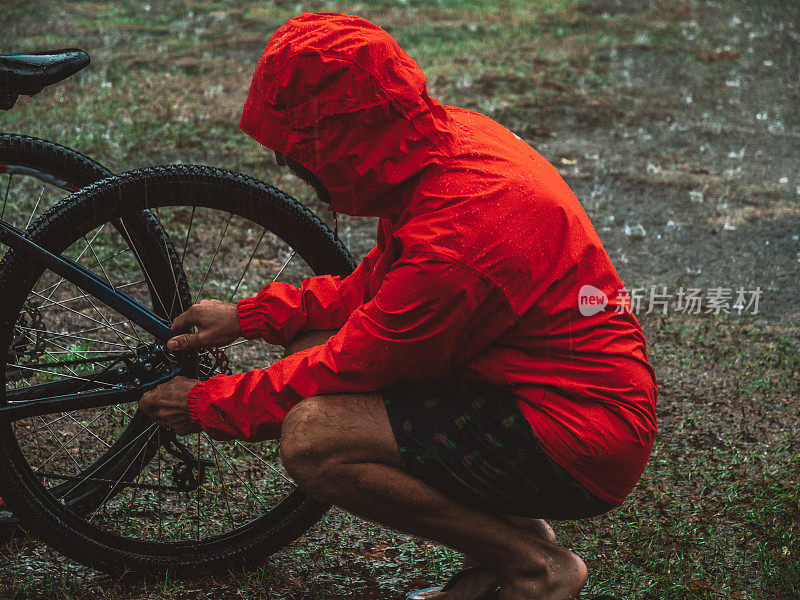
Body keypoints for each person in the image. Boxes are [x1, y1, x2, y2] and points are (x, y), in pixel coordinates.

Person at [139, 12, 657, 600]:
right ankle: (500, 557)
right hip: (528, 388)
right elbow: (373, 291)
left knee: (316, 437)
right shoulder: (440, 147)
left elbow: (357, 362)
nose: (291, 166)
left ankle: (536, 570)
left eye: (299, 150)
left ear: (346, 141)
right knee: (313, 347)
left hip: (576, 433)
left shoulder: (462, 235)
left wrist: (209, 403)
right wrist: (249, 317)